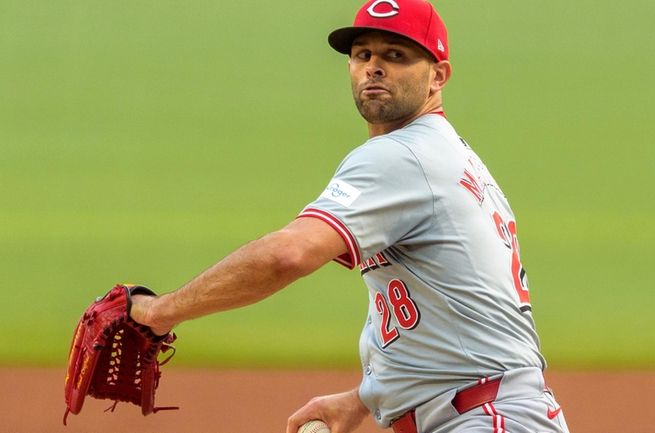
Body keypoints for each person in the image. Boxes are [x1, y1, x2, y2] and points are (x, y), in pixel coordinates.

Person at [130, 0, 571, 432]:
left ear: (438, 76)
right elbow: (452, 310)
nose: (374, 67)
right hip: (493, 411)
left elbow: (287, 255)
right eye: (363, 54)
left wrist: (158, 312)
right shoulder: (447, 154)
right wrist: (365, 398)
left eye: (395, 55)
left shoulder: (402, 155)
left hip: (487, 418)